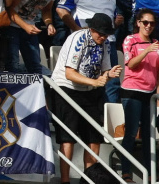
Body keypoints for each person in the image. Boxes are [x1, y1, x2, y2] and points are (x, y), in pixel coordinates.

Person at [50, 13, 122, 182]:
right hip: (66, 88)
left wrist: (109, 74)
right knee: (68, 139)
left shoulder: (105, 44)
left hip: (90, 90)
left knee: (94, 138)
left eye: (106, 34)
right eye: (101, 33)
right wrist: (95, 82)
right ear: (92, 29)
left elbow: (104, 70)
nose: (103, 37)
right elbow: (69, 73)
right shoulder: (78, 39)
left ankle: (89, 179)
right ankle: (65, 181)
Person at [120, 9, 159, 182]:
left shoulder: (157, 43)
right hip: (132, 91)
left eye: (152, 23)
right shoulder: (131, 40)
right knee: (131, 132)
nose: (149, 26)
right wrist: (147, 50)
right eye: (145, 22)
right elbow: (131, 64)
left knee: (149, 136)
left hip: (149, 94)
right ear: (138, 23)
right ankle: (126, 173)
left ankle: (149, 174)